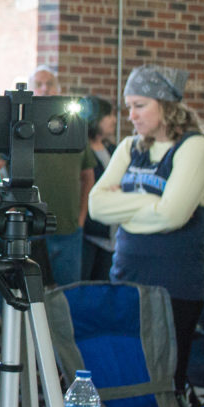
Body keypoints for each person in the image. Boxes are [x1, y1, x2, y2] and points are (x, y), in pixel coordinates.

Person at [89, 65, 204, 392]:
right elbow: (97, 206)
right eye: (128, 107)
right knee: (129, 372)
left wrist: (126, 205)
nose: (131, 115)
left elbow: (173, 215)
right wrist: (150, 203)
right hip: (127, 275)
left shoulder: (194, 147)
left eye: (139, 105)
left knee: (167, 380)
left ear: (166, 105)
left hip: (175, 285)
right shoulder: (129, 147)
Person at [28, 65, 96, 287]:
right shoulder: (19, 128)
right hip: (29, 229)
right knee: (27, 296)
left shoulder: (74, 128)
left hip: (68, 228)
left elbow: (88, 175)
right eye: (38, 84)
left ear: (58, 89)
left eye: (50, 84)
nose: (45, 88)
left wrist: (81, 217)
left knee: (69, 295)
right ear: (30, 89)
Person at [79, 95, 117, 281]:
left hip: (111, 231)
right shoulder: (81, 150)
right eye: (108, 115)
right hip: (89, 231)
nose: (113, 120)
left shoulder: (113, 149)